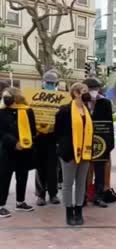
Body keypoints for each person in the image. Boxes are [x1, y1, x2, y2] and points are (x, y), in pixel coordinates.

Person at [55, 83, 94, 226]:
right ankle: (68, 211)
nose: (87, 93)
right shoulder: (65, 110)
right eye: (84, 91)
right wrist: (64, 145)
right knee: (67, 183)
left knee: (81, 183)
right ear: (76, 93)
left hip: (85, 152)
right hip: (68, 153)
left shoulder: (87, 110)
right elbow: (57, 131)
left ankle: (79, 210)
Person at [0, 87, 37, 218]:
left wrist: (28, 142)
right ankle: (1, 205)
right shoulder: (2, 111)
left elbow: (32, 129)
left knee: (22, 176)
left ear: (16, 97)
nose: (5, 98)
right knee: (4, 177)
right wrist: (14, 143)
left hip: (25, 150)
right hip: (8, 150)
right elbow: (2, 132)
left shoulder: (28, 111)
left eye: (8, 95)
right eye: (4, 96)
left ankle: (20, 202)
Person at [83, 78, 114, 208]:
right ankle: (83, 196)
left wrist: (109, 144)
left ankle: (99, 196)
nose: (93, 91)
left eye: (95, 88)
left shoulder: (105, 102)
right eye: (90, 88)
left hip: (101, 142)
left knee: (100, 170)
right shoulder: (80, 102)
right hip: (84, 142)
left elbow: (109, 124)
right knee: (84, 171)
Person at [35, 71, 61, 206]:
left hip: (53, 138)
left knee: (53, 168)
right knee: (40, 168)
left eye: (52, 83)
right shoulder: (35, 97)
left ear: (56, 84)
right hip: (39, 137)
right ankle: (40, 195)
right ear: (43, 82)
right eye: (48, 82)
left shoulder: (61, 99)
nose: (50, 85)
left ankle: (53, 194)